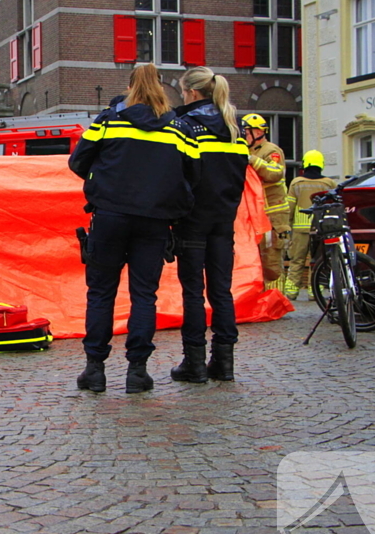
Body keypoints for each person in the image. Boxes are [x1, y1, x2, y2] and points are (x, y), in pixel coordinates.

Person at [68, 64, 201, 394]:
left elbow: (77, 162)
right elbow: (194, 174)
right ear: (161, 87)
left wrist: (106, 181)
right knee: (144, 295)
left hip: (110, 216)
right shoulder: (179, 128)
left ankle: (95, 370)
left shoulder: (107, 121)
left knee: (101, 293)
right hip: (154, 221)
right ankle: (137, 372)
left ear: (129, 88)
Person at [170, 66, 250, 384]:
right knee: (222, 292)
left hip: (192, 220)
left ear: (190, 92)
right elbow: (241, 174)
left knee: (192, 292)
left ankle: (195, 363)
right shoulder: (234, 126)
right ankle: (224, 363)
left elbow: (180, 176)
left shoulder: (185, 125)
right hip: (223, 219)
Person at [242, 114, 290, 287]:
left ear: (257, 131)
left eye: (247, 132)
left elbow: (275, 173)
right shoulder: (248, 150)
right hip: (255, 216)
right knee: (255, 259)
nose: (245, 136)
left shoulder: (271, 151)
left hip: (273, 217)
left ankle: (275, 301)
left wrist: (252, 160)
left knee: (271, 262)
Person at [285, 150, 337, 301]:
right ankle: (315, 291)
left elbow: (290, 207)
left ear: (305, 163)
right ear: (321, 164)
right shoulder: (329, 183)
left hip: (299, 229)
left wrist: (287, 226)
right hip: (320, 229)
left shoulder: (296, 182)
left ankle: (291, 291)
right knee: (318, 260)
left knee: (296, 260)